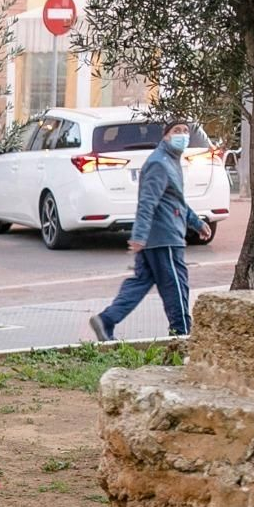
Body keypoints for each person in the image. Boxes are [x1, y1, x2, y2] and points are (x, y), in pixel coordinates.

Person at [89, 122, 211, 343]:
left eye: (185, 131)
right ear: (165, 137)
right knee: (176, 286)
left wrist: (196, 222)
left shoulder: (170, 161)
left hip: (159, 237)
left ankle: (106, 320)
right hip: (164, 238)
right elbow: (147, 202)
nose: (182, 135)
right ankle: (181, 335)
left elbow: (175, 201)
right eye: (177, 131)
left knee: (140, 283)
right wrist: (140, 235)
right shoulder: (159, 163)